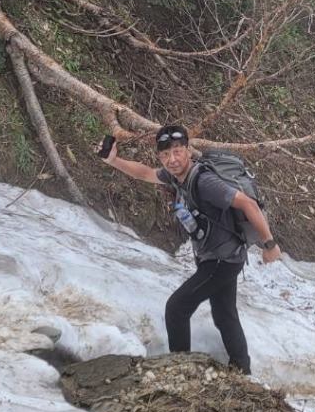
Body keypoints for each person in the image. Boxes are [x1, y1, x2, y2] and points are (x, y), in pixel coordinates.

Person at [99, 124, 280, 375]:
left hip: (222, 260)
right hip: (217, 257)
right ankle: (242, 370)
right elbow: (146, 173)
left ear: (187, 151)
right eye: (165, 155)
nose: (171, 160)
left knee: (177, 308)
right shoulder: (176, 177)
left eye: (177, 152)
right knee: (224, 314)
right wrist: (114, 160)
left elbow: (248, 203)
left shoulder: (204, 181)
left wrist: (269, 243)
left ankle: (179, 371)